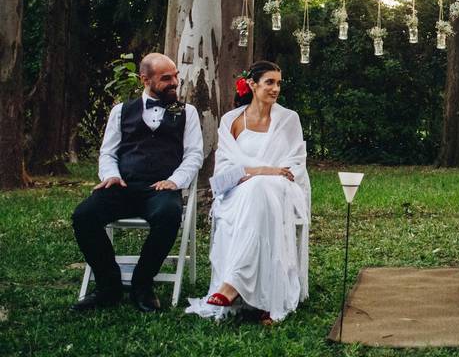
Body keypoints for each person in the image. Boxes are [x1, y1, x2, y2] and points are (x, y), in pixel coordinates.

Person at [71, 53, 203, 313]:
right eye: (166, 78)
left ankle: (143, 284)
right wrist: (110, 175)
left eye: (175, 75)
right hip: (123, 186)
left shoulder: (188, 113)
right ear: (146, 79)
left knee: (169, 215)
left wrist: (174, 182)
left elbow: (194, 154)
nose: (174, 82)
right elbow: (108, 152)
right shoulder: (121, 111)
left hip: (161, 189)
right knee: (84, 215)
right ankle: (109, 286)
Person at [186, 61, 310, 323]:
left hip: (281, 190)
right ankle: (264, 298)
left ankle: (233, 285)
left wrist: (264, 174)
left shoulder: (289, 119)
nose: (276, 88)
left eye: (278, 83)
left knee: (261, 189)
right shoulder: (232, 120)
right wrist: (264, 170)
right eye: (270, 82)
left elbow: (294, 165)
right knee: (256, 189)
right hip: (238, 191)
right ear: (252, 85)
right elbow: (225, 172)